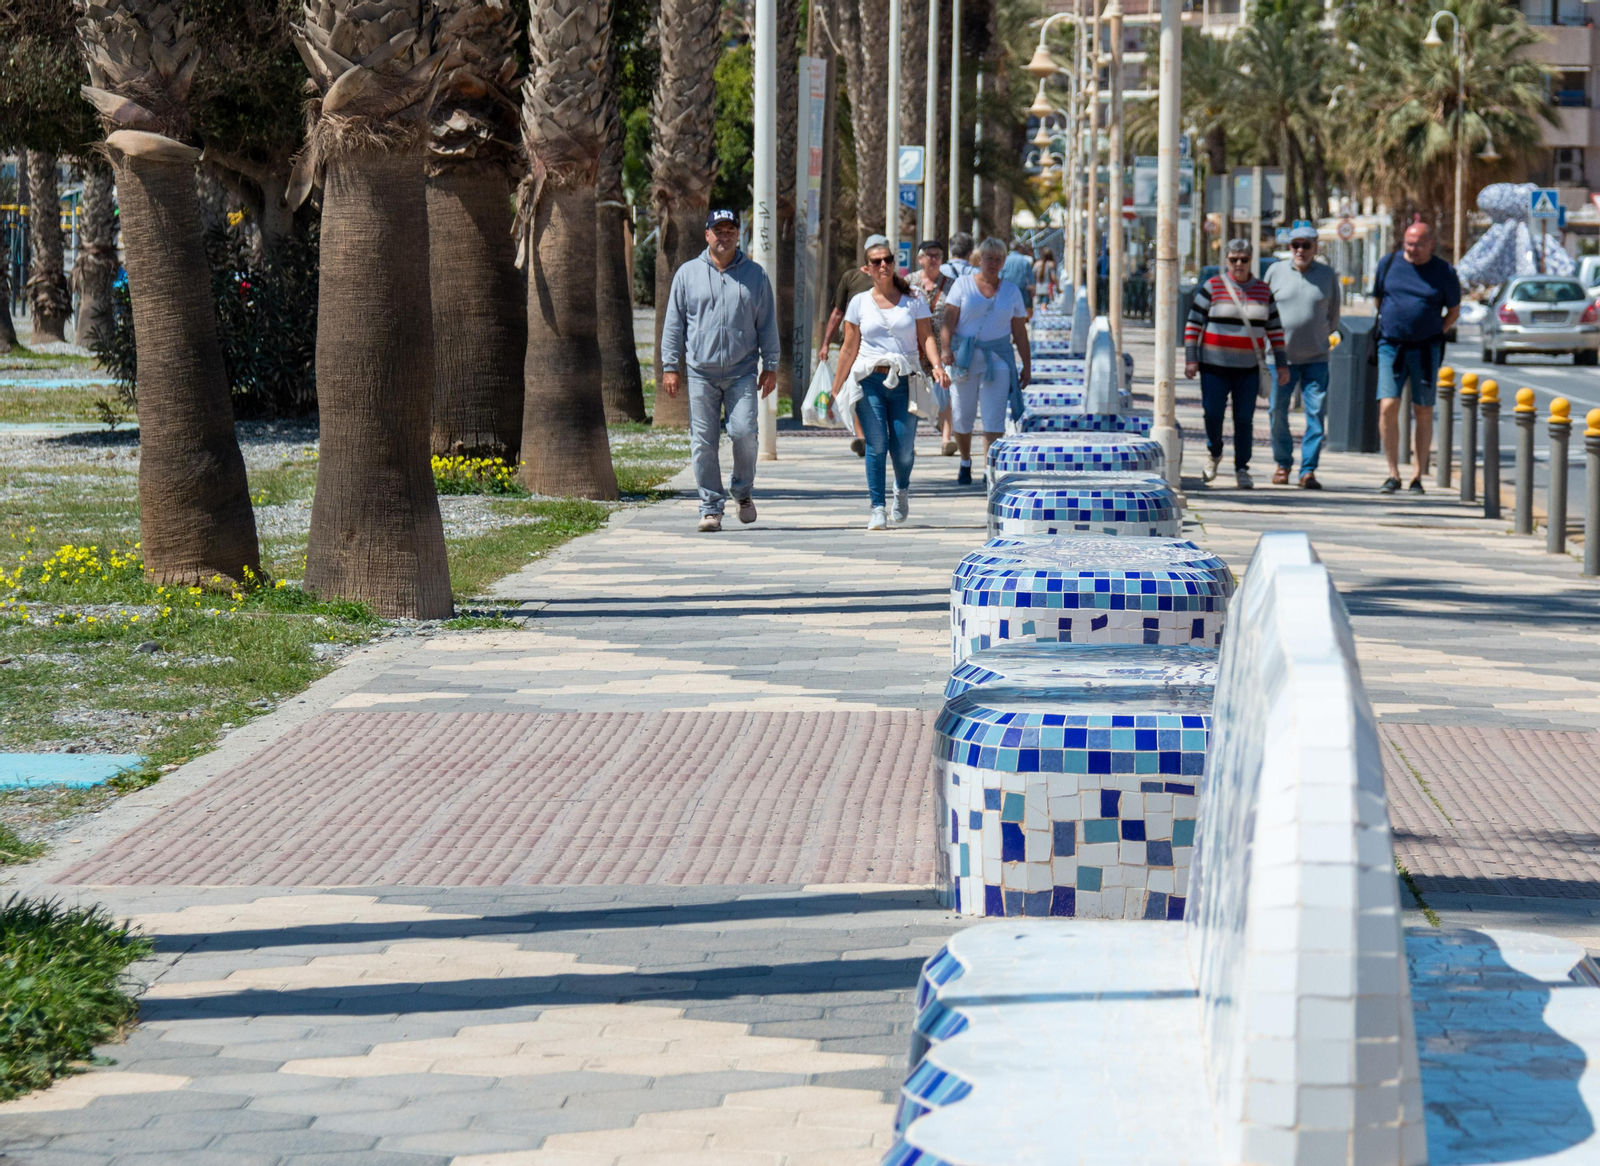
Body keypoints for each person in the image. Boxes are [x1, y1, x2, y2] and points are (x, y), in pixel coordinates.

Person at [660, 208, 780, 532]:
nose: (724, 236)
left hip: (742, 372)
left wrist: (770, 366)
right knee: (703, 442)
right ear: (707, 235)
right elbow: (674, 324)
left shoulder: (755, 275)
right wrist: (671, 366)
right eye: (718, 230)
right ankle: (711, 507)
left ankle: (742, 491)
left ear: (738, 235)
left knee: (744, 433)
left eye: (730, 230)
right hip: (701, 372)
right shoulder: (687, 274)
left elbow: (767, 323)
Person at [831, 239, 951, 529]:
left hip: (905, 379)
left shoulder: (914, 298)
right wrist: (836, 387)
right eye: (876, 261)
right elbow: (849, 347)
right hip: (869, 379)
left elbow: (926, 337)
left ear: (893, 263)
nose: (883, 265)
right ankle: (877, 508)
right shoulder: (858, 302)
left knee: (903, 448)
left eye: (887, 259)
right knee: (876, 444)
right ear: (867, 268)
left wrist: (936, 366)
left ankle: (901, 488)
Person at [1184, 237, 1288, 490]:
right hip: (1213, 365)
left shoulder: (1263, 291)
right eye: (1233, 260)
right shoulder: (1212, 287)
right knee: (1213, 414)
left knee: (1244, 419)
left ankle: (1242, 467)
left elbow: (1275, 331)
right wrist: (1191, 359)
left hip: (1248, 369)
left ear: (1250, 261)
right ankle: (1214, 452)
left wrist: (1282, 364)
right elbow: (1193, 324)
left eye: (1243, 260)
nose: (1238, 264)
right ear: (1226, 260)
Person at [1373, 220, 1461, 494]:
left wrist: (1435, 330)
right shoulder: (1388, 264)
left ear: (1431, 244)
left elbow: (1454, 311)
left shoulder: (1444, 271)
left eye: (1419, 244)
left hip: (1425, 349)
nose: (1413, 249)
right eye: (1409, 243)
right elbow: (1379, 300)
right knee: (1388, 406)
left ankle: (1417, 476)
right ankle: (1392, 473)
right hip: (1391, 345)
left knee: (1423, 410)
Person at [940, 236, 1032, 486]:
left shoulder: (1011, 291)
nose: (993, 263)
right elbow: (948, 321)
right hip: (965, 358)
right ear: (979, 260)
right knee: (962, 415)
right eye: (988, 258)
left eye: (998, 259)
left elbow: (1020, 332)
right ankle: (965, 460)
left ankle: (988, 467)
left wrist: (1026, 365)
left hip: (998, 359)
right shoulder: (962, 285)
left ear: (1004, 262)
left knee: (994, 416)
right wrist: (946, 349)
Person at [1265, 224, 1340, 490]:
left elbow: (1334, 317)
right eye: (1295, 245)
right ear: (1289, 247)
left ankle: (1308, 471)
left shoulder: (1328, 275)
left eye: (1306, 245)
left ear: (1315, 248)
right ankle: (1283, 464)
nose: (1300, 250)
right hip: (1279, 359)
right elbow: (1265, 312)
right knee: (1276, 412)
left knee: (1316, 415)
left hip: (1317, 359)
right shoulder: (1275, 272)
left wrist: (1317, 336)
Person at [815, 237, 884, 458]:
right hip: (854, 343)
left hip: (881, 346)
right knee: (857, 386)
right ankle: (862, 437)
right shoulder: (851, 277)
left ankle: (882, 436)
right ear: (866, 257)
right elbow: (837, 313)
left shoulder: (891, 279)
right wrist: (825, 343)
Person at [913, 239, 958, 456]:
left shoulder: (950, 285)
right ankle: (908, 440)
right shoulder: (908, 282)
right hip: (914, 346)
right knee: (912, 393)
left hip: (941, 348)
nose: (933, 259)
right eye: (928, 255)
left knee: (944, 391)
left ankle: (946, 439)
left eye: (937, 256)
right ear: (920, 258)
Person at [1002, 240, 1036, 317]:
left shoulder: (1005, 260)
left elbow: (1001, 275)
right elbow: (1030, 277)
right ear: (1019, 248)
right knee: (1022, 311)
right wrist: (1033, 289)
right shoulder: (1024, 261)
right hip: (1021, 289)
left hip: (1007, 288)